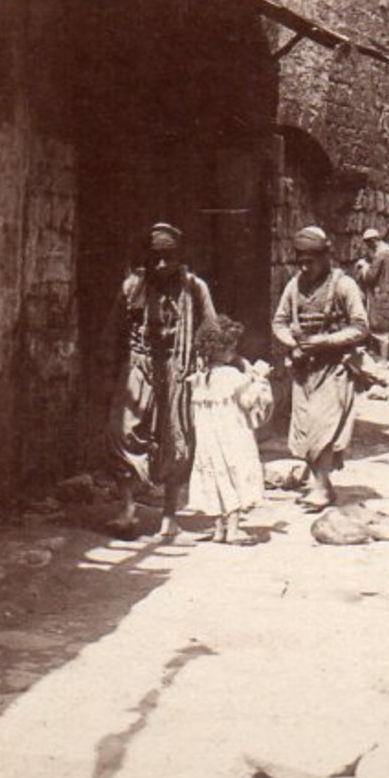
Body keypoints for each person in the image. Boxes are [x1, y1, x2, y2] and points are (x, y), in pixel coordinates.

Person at [105, 222, 216, 541]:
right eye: (155, 258)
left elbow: (210, 332)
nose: (162, 265)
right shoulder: (132, 287)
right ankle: (126, 510)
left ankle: (170, 515)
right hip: (138, 365)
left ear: (181, 257)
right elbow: (114, 331)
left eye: (169, 257)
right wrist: (111, 371)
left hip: (177, 368)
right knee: (122, 433)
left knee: (176, 438)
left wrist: (213, 369)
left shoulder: (195, 288)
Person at [272, 226, 369, 511]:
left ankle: (320, 487)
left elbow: (361, 326)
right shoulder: (294, 286)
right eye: (300, 260)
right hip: (304, 369)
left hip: (335, 367)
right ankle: (322, 484)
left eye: (310, 260)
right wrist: (293, 343)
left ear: (326, 256)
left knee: (322, 428)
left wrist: (325, 341)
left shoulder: (344, 285)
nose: (305, 266)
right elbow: (278, 322)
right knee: (304, 429)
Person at [187, 315, 273, 545]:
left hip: (208, 440)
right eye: (232, 347)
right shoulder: (233, 377)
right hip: (232, 436)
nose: (234, 351)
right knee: (234, 472)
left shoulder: (199, 379)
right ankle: (233, 530)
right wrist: (260, 380)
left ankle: (218, 530)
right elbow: (248, 402)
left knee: (215, 475)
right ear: (223, 349)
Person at [356, 228, 389, 364]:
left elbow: (370, 277)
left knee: (380, 326)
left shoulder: (380, 255)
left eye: (369, 243)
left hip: (381, 293)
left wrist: (363, 267)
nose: (368, 247)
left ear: (373, 241)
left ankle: (383, 358)